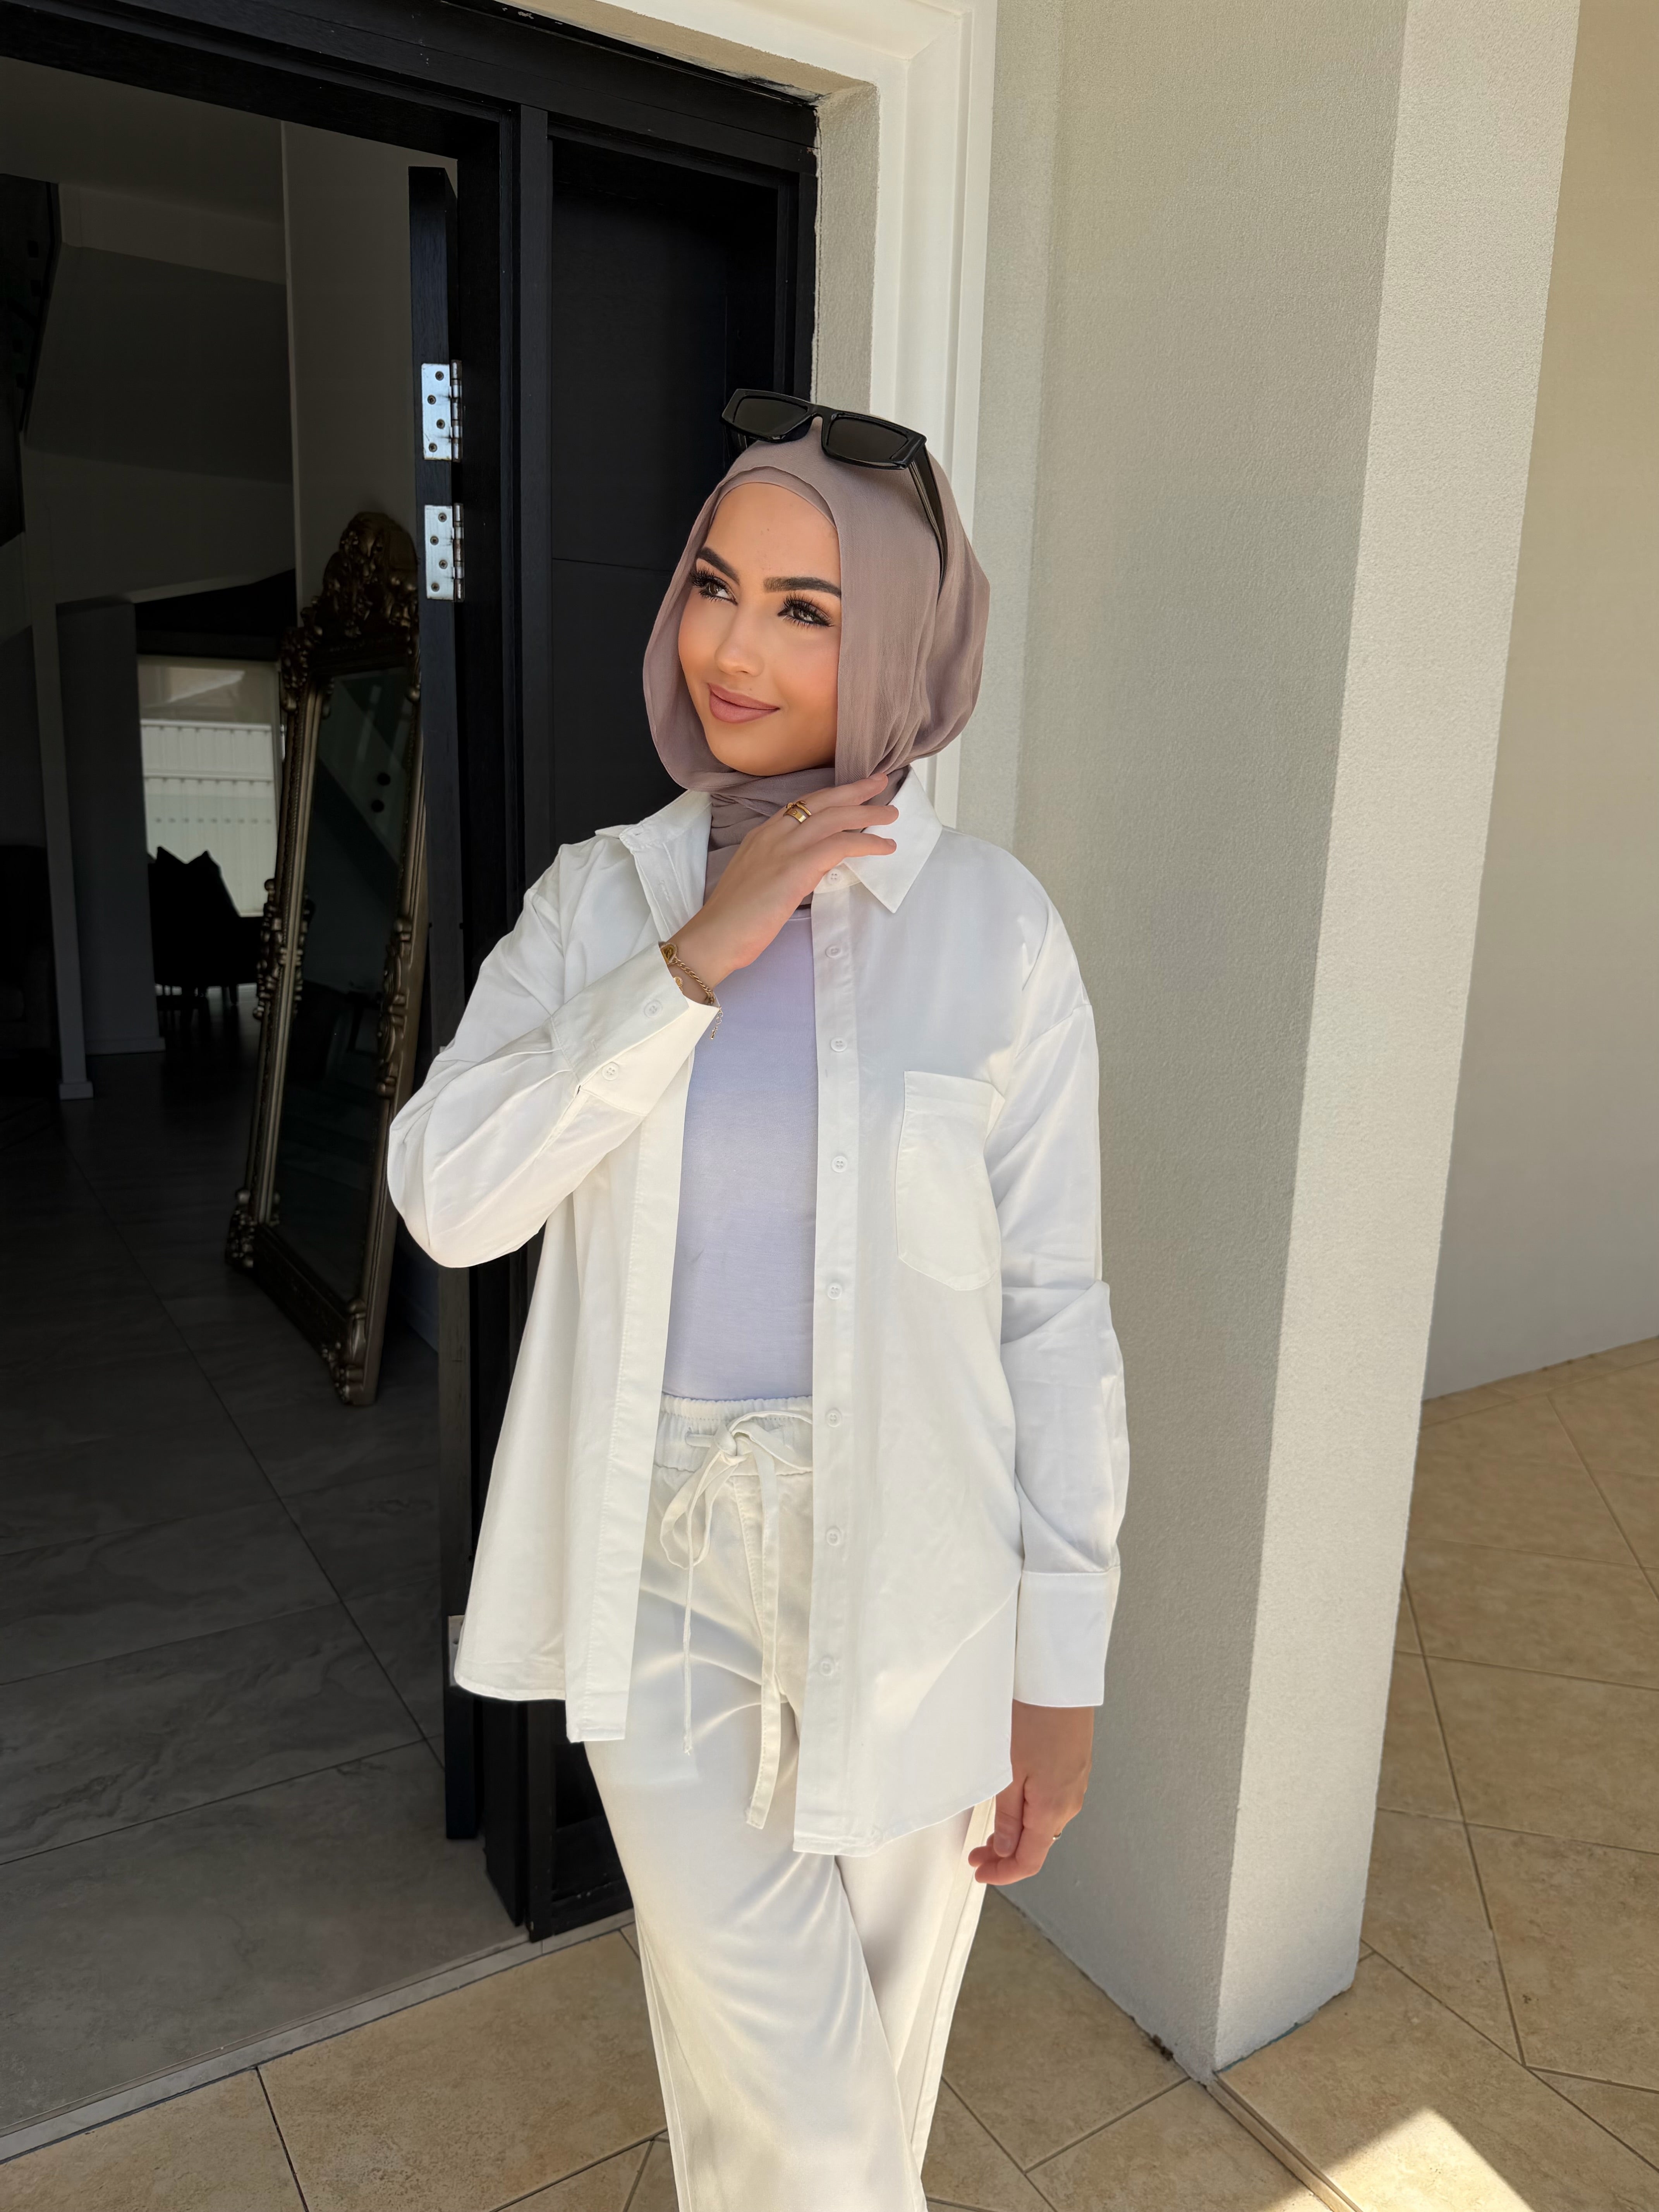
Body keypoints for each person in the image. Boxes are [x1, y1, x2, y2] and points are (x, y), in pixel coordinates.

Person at [386, 398, 1130, 2211]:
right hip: (659, 1561)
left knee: (852, 2083)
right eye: (716, 585)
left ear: (904, 645)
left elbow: (1054, 1315)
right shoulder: (602, 905)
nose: (732, 645)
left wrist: (1064, 1673)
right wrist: (701, 951)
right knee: (815, 2121)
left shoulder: (998, 934)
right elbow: (449, 1197)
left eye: (808, 609)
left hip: (925, 1576)